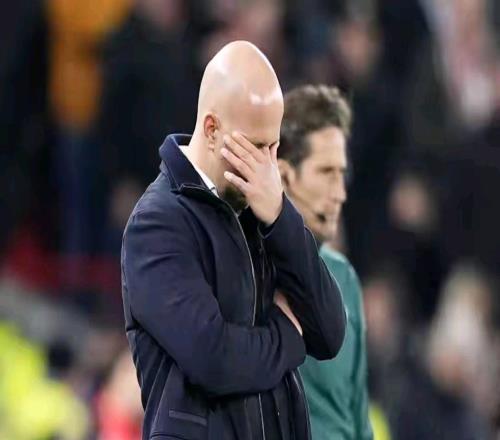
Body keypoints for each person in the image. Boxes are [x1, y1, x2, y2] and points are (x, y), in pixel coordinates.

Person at [121, 41, 346, 440]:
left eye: (274, 147)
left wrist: (282, 217)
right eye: (256, 147)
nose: (268, 165)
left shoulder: (265, 210)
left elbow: (329, 332)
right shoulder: (157, 224)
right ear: (212, 130)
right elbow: (214, 360)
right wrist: (287, 334)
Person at [278, 84, 373, 440]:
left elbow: (358, 414)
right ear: (285, 175)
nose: (340, 193)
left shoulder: (344, 278)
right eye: (326, 172)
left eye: (342, 174)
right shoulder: (248, 269)